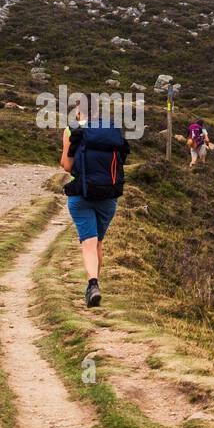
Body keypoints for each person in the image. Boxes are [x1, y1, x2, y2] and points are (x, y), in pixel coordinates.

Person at [60, 107, 129, 308]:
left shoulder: (72, 130)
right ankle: (94, 287)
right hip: (108, 197)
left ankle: (93, 284)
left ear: (80, 112)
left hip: (81, 195)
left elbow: (67, 166)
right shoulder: (112, 131)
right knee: (98, 242)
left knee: (88, 243)